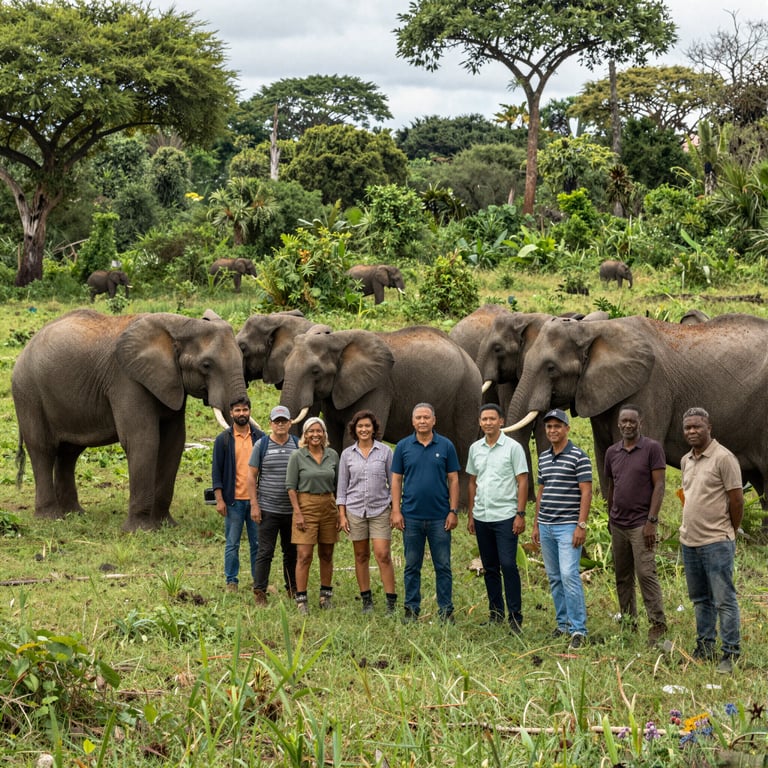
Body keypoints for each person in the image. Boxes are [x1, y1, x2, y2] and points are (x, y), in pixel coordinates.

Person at [680, 407, 744, 674]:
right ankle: (704, 646)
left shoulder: (724, 458)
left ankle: (730, 653)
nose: (692, 431)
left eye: (697, 426)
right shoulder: (686, 460)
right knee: (700, 599)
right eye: (687, 428)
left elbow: (736, 499)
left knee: (724, 600)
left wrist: (730, 529)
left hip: (717, 541)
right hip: (689, 541)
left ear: (709, 427)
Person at [604, 404, 668, 646]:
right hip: (618, 523)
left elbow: (659, 486)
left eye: (632, 421)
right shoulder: (612, 452)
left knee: (645, 573)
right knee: (622, 575)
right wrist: (610, 516)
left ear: (639, 422)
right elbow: (613, 485)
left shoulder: (652, 448)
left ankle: (657, 624)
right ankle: (628, 623)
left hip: (641, 524)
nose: (628, 425)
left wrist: (652, 521)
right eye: (624, 421)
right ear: (619, 424)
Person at [391, 402, 460, 624]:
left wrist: (453, 510)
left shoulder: (446, 445)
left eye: (426, 417)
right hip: (410, 517)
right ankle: (411, 610)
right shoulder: (403, 447)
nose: (422, 421)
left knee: (443, 566)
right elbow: (396, 480)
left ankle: (446, 611)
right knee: (411, 566)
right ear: (412, 421)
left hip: (440, 518)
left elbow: (454, 479)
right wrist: (396, 510)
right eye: (418, 417)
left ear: (434, 420)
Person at [532, 408, 592, 649]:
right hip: (546, 525)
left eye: (558, 426)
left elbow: (586, 491)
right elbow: (541, 491)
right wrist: (536, 523)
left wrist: (581, 525)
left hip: (568, 526)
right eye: (549, 427)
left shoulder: (579, 456)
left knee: (569, 575)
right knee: (555, 577)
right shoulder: (544, 458)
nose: (553, 430)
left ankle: (579, 629)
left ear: (567, 428)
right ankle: (563, 625)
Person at [466, 403, 529, 632]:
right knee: (490, 567)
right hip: (482, 516)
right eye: (484, 419)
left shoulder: (513, 448)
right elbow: (472, 482)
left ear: (501, 421)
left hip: (505, 516)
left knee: (509, 565)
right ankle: (495, 613)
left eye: (492, 419)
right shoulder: (475, 449)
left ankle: (515, 617)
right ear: (480, 422)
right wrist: (472, 514)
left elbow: (522, 480)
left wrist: (520, 514)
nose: (488, 423)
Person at [337, 410, 397, 615]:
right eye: (360, 426)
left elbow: (395, 482)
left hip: (380, 509)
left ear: (374, 429)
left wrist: (393, 507)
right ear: (354, 429)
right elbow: (342, 487)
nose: (364, 430)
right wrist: (342, 514)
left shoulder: (385, 452)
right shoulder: (347, 454)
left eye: (367, 426)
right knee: (361, 555)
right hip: (355, 510)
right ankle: (367, 601)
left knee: (383, 554)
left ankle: (391, 602)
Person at [285, 417, 340, 614]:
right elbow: (291, 487)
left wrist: (340, 513)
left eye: (319, 431)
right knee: (304, 554)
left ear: (324, 434)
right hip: (305, 505)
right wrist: (297, 513)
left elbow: (339, 484)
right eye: (311, 431)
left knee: (326, 554)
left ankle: (325, 596)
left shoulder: (332, 455)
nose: (315, 435)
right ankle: (301, 599)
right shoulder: (298, 456)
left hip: (328, 504)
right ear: (305, 435)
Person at [211, 397, 265, 593]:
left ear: (250, 411)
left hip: (255, 502)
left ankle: (258, 581)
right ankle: (231, 581)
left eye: (245, 410)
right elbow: (216, 472)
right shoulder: (223, 440)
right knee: (232, 544)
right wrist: (219, 499)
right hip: (233, 501)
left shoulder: (260, 438)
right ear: (231, 413)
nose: (241, 414)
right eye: (237, 410)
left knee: (257, 544)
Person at [248, 405, 299, 606]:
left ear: (289, 423)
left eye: (283, 421)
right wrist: (254, 504)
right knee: (265, 551)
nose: (280, 424)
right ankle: (260, 591)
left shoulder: (297, 444)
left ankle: (293, 588)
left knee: (291, 551)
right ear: (270, 424)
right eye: (276, 421)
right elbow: (251, 477)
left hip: (291, 511)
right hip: (267, 508)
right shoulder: (262, 445)